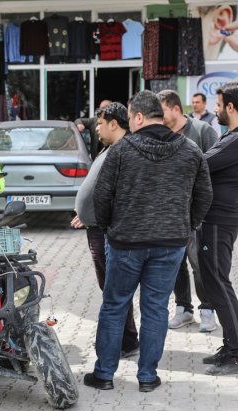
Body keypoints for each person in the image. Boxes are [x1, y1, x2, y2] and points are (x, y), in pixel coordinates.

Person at [86, 91, 212, 392]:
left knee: (115, 305)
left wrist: (108, 227)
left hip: (125, 243)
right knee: (155, 308)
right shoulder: (190, 149)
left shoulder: (121, 151)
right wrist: (187, 226)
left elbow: (100, 196)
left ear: (139, 117)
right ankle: (147, 377)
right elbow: (205, 195)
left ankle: (104, 375)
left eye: (130, 117)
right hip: (170, 244)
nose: (129, 122)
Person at [199, 82, 238, 375]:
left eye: (219, 105)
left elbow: (201, 164)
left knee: (220, 284)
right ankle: (230, 346)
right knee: (214, 284)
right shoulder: (236, 135)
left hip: (218, 221)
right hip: (216, 219)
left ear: (231, 107)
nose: (215, 109)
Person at [70, 102, 139, 358]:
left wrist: (95, 216)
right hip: (95, 226)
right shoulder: (109, 147)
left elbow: (120, 196)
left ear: (113, 123)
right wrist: (85, 213)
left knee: (114, 289)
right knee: (110, 287)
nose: (96, 128)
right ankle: (127, 339)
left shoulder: (123, 151)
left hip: (107, 231)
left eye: (100, 123)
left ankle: (126, 342)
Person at [158, 89, 219, 333]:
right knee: (175, 263)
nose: (158, 117)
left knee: (199, 262)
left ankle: (208, 309)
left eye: (161, 111)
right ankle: (183, 309)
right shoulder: (161, 135)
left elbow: (216, 168)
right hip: (170, 212)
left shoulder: (202, 131)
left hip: (197, 211)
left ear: (174, 108)